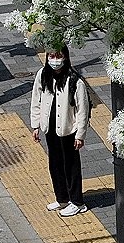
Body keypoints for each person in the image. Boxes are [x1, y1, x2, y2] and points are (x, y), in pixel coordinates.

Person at [30, 46, 90, 217]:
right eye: (51, 56)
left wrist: (80, 135)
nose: (55, 59)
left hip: (68, 129)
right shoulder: (43, 75)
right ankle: (62, 197)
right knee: (55, 164)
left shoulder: (75, 81)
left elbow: (82, 110)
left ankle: (77, 202)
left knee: (70, 165)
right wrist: (35, 125)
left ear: (65, 57)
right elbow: (36, 99)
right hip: (49, 128)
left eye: (58, 55)